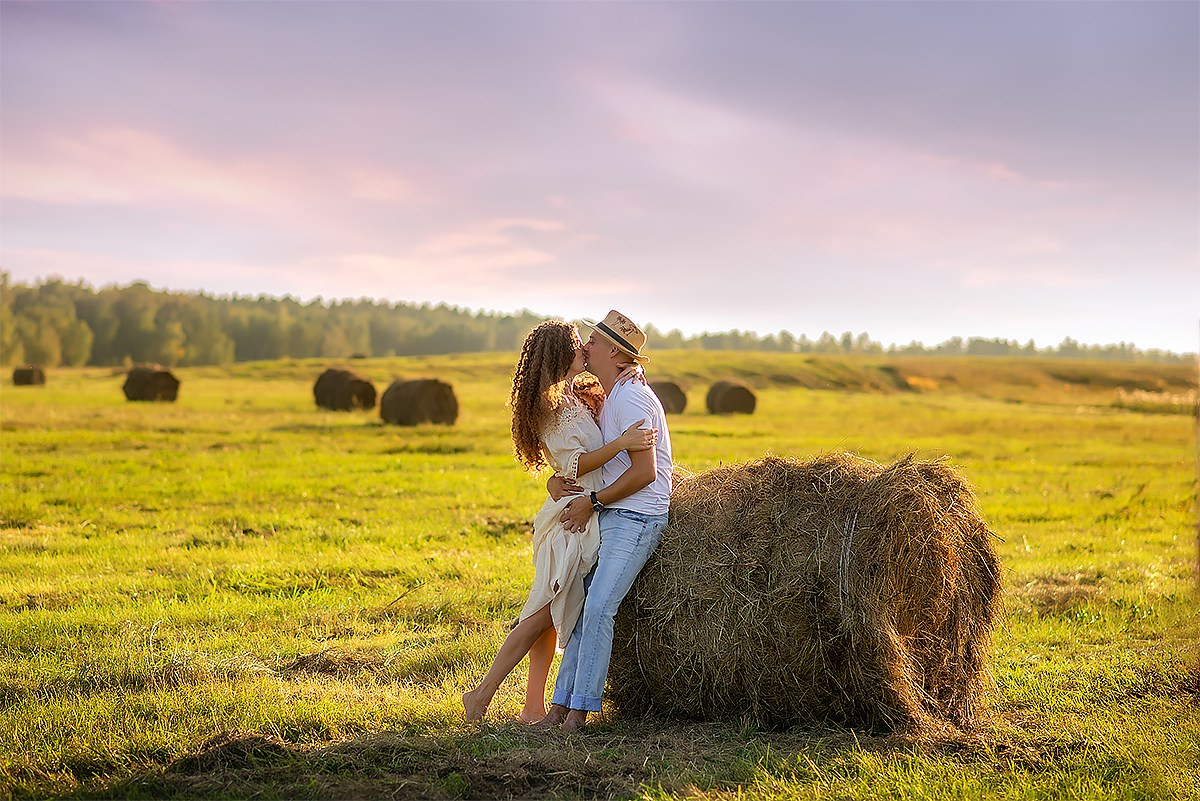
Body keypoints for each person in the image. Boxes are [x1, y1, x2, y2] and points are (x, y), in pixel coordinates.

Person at [462, 320, 656, 723]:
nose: (584, 348)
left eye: (589, 342)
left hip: (586, 508)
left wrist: (631, 375)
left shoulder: (576, 396)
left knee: (551, 613)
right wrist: (620, 444)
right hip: (572, 518)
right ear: (559, 355)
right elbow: (574, 463)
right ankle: (480, 694)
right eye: (577, 344)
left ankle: (532, 706)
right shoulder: (552, 408)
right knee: (544, 609)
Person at [536, 310, 673, 733]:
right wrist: (556, 482)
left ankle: (579, 713)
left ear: (614, 352)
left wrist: (593, 502)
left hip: (637, 516)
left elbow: (645, 473)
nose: (585, 345)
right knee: (584, 610)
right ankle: (559, 707)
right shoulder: (615, 394)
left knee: (598, 607)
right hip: (616, 514)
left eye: (593, 341)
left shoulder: (630, 398)